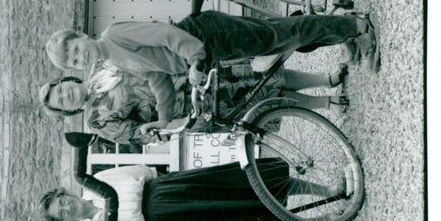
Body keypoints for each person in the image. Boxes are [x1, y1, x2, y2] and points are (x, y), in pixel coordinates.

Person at [45, 9, 379, 125]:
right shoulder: (113, 60)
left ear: (81, 36)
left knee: (280, 35)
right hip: (208, 52)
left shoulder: (113, 35)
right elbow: (157, 78)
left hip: (206, 36)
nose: (79, 57)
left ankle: (357, 25)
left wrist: (193, 59)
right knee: (278, 40)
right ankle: (342, 29)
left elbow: (164, 34)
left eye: (75, 49)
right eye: (73, 61)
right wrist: (164, 119)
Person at [40, 159, 353, 221]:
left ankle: (329, 190)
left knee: (244, 186)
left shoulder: (97, 181)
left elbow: (141, 172)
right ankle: (324, 219)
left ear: (67, 194)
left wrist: (168, 184)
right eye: (63, 214)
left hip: (170, 190)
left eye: (63, 202)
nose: (68, 208)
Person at [39, 63, 350, 144]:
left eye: (63, 90)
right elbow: (138, 134)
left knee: (262, 77)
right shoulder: (97, 121)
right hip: (190, 108)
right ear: (69, 110)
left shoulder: (101, 66)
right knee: (262, 102)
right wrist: (159, 127)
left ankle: (326, 78)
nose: (68, 95)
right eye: (63, 102)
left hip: (188, 74)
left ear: (68, 81)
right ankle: (326, 102)